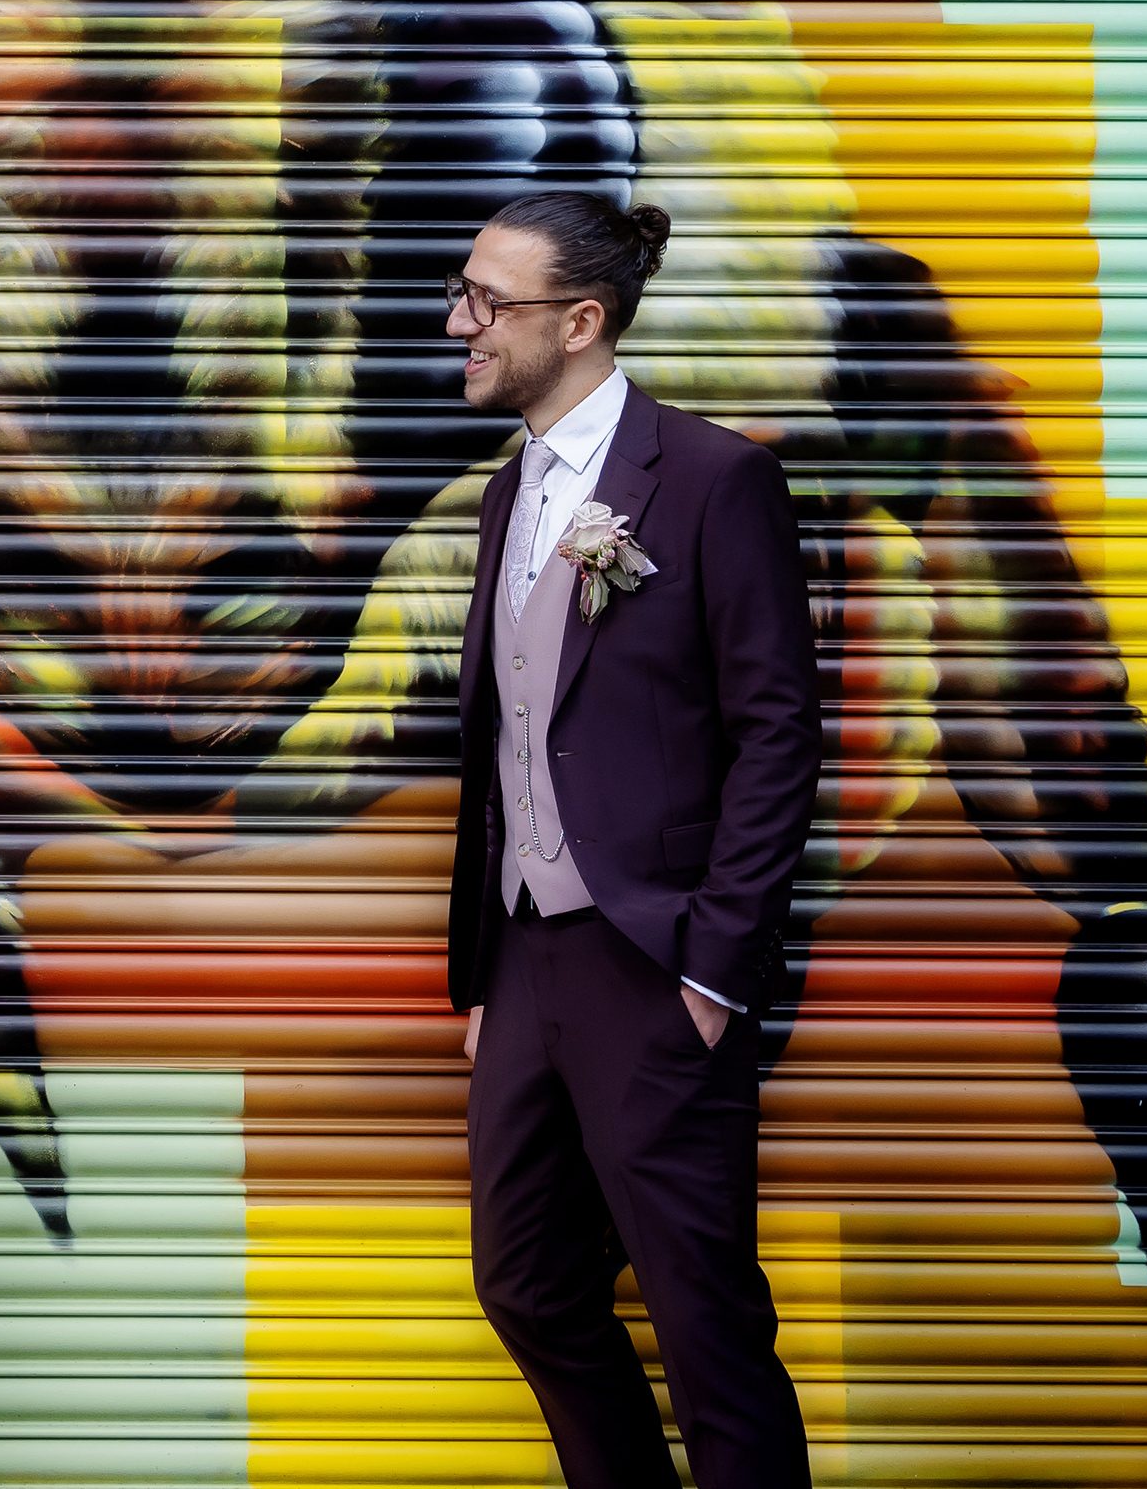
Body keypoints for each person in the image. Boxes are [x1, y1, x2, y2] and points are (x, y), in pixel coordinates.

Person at [447, 193, 819, 1489]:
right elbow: (512, 737)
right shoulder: (507, 495)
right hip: (531, 961)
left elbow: (778, 736)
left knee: (707, 1318)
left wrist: (715, 967)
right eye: (466, 291)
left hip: (661, 962)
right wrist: (490, 969)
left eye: (491, 301)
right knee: (529, 1279)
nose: (461, 322)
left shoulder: (716, 480)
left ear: (582, 319)